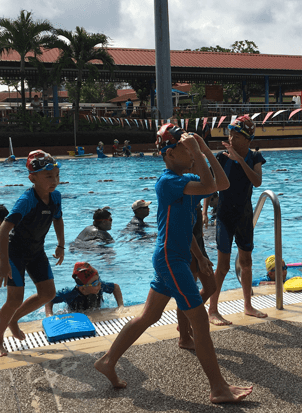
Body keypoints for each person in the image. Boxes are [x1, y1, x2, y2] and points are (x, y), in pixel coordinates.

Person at [94, 130, 252, 404]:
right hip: (170, 260)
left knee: (148, 316)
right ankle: (218, 388)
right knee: (200, 321)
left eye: (191, 149)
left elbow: (221, 185)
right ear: (169, 154)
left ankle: (108, 361)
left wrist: (199, 256)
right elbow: (211, 187)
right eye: (184, 148)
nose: (190, 153)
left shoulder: (187, 180)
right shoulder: (168, 182)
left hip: (174, 256)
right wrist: (201, 152)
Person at [0, 150, 65, 357]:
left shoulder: (55, 197)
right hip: (16, 252)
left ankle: (14, 319)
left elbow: (57, 219)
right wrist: (3, 263)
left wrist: (61, 245)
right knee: (14, 299)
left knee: (48, 293)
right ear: (33, 178)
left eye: (57, 175)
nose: (55, 181)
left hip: (36, 251)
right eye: (49, 176)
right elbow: (3, 231)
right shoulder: (27, 200)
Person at [206, 115, 267, 326]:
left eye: (235, 135)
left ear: (247, 139)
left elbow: (257, 182)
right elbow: (211, 186)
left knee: (246, 263)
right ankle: (212, 310)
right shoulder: (221, 157)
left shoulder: (255, 157)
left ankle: (248, 305)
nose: (230, 138)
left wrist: (240, 160)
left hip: (244, 215)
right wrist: (205, 212)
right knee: (222, 266)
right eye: (230, 133)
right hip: (224, 215)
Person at [45, 262, 123, 316]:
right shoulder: (71, 293)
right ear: (83, 289)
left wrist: (121, 306)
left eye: (99, 280)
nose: (100, 284)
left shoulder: (100, 286)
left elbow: (115, 287)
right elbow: (49, 299)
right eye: (95, 283)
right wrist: (49, 315)